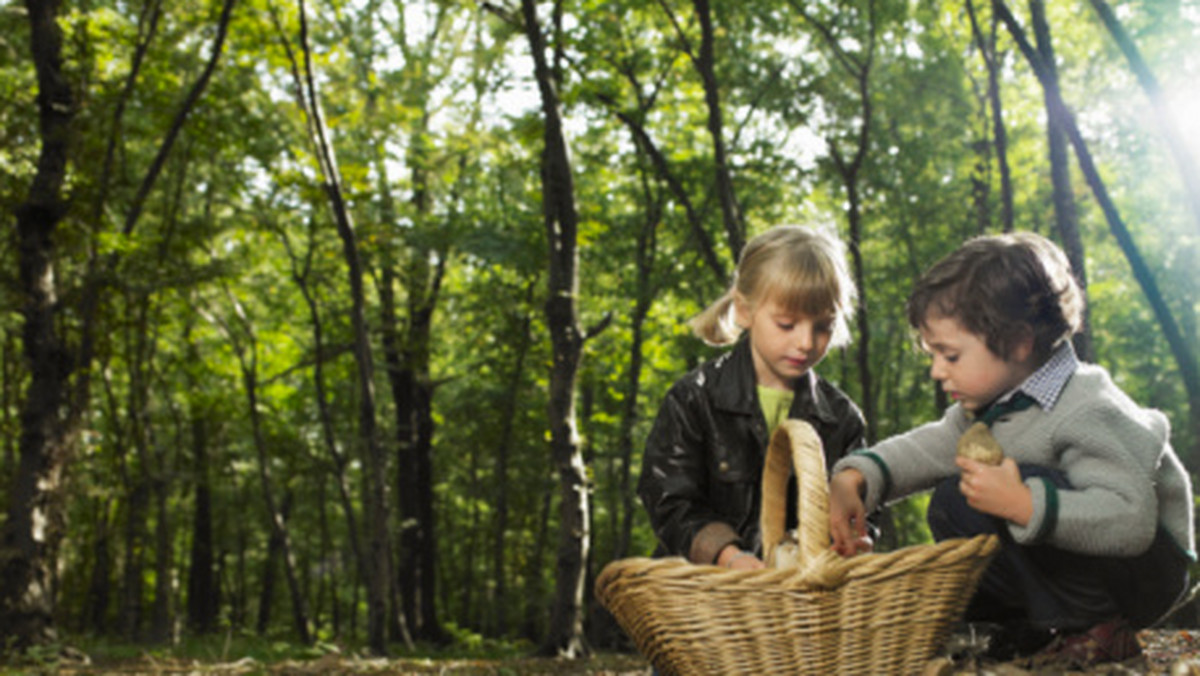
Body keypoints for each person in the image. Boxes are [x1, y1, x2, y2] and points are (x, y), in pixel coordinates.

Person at [828, 232, 1195, 667]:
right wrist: (858, 476)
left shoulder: (1089, 408)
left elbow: (1131, 521)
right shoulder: (993, 405)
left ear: (1019, 341)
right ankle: (1025, 623)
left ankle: (1101, 627)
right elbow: (930, 447)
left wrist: (1025, 504)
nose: (936, 371)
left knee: (992, 489)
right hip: (1083, 563)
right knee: (956, 499)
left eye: (950, 355)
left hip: (1141, 573)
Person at [638, 225, 870, 572]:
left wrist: (851, 541)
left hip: (803, 599)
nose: (806, 342)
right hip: (707, 593)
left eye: (823, 326)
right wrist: (730, 556)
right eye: (787, 324)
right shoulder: (694, 399)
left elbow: (862, 506)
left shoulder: (842, 418)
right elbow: (669, 501)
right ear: (745, 311)